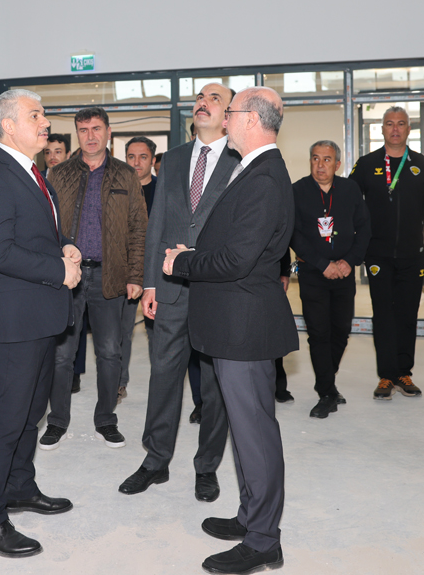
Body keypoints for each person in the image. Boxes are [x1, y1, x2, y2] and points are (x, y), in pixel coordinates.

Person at [163, 87, 297, 575]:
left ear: (252, 120)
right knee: (247, 430)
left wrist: (183, 262)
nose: (224, 118)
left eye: (232, 111)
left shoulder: (264, 177)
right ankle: (250, 515)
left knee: (255, 434)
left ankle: (263, 541)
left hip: (245, 326)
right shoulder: (255, 168)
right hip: (235, 322)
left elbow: (238, 260)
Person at [0, 89, 81, 558]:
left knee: (31, 413)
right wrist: (58, 269)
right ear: (8, 125)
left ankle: (19, 485)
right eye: (36, 115)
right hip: (13, 323)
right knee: (5, 420)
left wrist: (65, 245)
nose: (45, 123)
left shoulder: (34, 173)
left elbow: (36, 234)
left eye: (44, 115)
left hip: (39, 316)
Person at [120, 83, 236, 503]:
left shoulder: (241, 160)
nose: (203, 103)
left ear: (229, 116)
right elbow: (158, 225)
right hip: (170, 287)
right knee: (164, 376)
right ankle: (155, 460)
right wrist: (150, 282)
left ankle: (206, 467)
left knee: (215, 386)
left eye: (214, 99)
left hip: (218, 289)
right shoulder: (172, 159)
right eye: (200, 97)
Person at [43, 108, 147, 450]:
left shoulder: (125, 175)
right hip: (68, 277)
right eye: (84, 129)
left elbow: (138, 228)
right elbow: (47, 226)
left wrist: (135, 275)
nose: (90, 135)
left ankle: (106, 420)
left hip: (110, 275)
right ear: (77, 133)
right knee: (62, 355)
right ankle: (57, 421)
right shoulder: (58, 173)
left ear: (108, 132)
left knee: (110, 353)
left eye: (96, 128)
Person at [349, 106, 424, 400]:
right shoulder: (367, 164)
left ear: (409, 129)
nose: (395, 129)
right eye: (390, 124)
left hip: (412, 255)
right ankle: (386, 375)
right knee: (384, 314)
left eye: (401, 124)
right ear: (382, 129)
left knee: (407, 313)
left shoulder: (422, 165)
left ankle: (403, 371)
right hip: (378, 254)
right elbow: (351, 202)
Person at [285, 140, 370, 419]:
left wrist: (348, 262)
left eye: (327, 159)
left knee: (341, 331)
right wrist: (322, 264)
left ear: (338, 164)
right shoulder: (297, 191)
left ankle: (328, 382)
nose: (320, 165)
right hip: (313, 274)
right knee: (319, 333)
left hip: (344, 273)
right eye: (315, 158)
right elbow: (294, 234)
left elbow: (364, 229)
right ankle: (326, 392)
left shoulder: (350, 189)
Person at [120, 135, 158, 394]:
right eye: (131, 157)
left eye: (143, 157)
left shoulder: (164, 190)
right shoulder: (117, 190)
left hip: (157, 272)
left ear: (152, 160)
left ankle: (160, 387)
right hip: (125, 271)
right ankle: (119, 383)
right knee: (121, 332)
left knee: (157, 333)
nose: (136, 162)